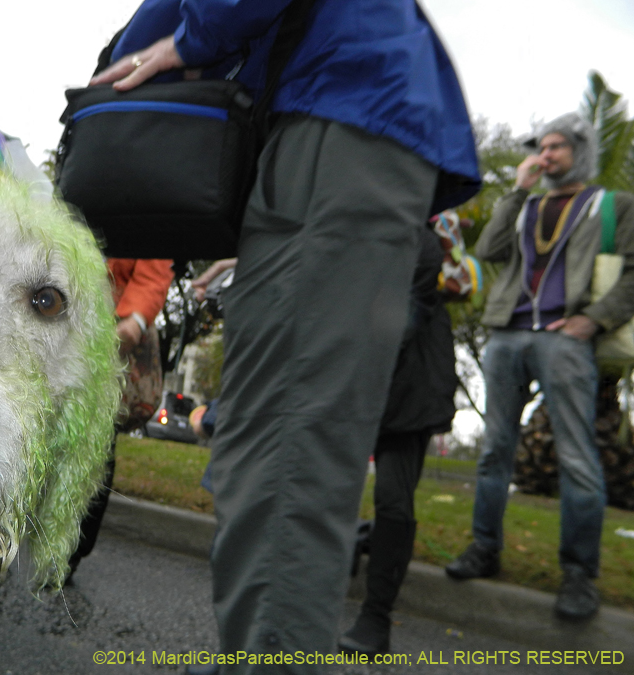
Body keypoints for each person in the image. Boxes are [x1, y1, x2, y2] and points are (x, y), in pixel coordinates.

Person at [90, 2, 480, 672]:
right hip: (326, 118)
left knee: (286, 445)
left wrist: (192, 37)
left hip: (340, 113)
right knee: (263, 441)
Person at [445, 112, 634, 622]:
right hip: (507, 334)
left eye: (555, 147)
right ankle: (484, 547)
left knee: (576, 457)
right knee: (494, 450)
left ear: (580, 151)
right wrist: (516, 192)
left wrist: (593, 320)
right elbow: (489, 250)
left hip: (566, 340)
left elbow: (633, 272)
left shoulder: (611, 205)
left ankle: (578, 573)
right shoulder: (526, 205)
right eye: (541, 148)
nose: (544, 155)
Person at [338, 224, 458, 656]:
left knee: (392, 496)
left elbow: (406, 308)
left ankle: (376, 617)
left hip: (409, 383)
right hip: (357, 372)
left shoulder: (420, 238)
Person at [67, 258, 175, 579]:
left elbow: (154, 269)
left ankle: (70, 550)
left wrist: (136, 319)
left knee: (97, 447)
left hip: (113, 337)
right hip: (65, 321)